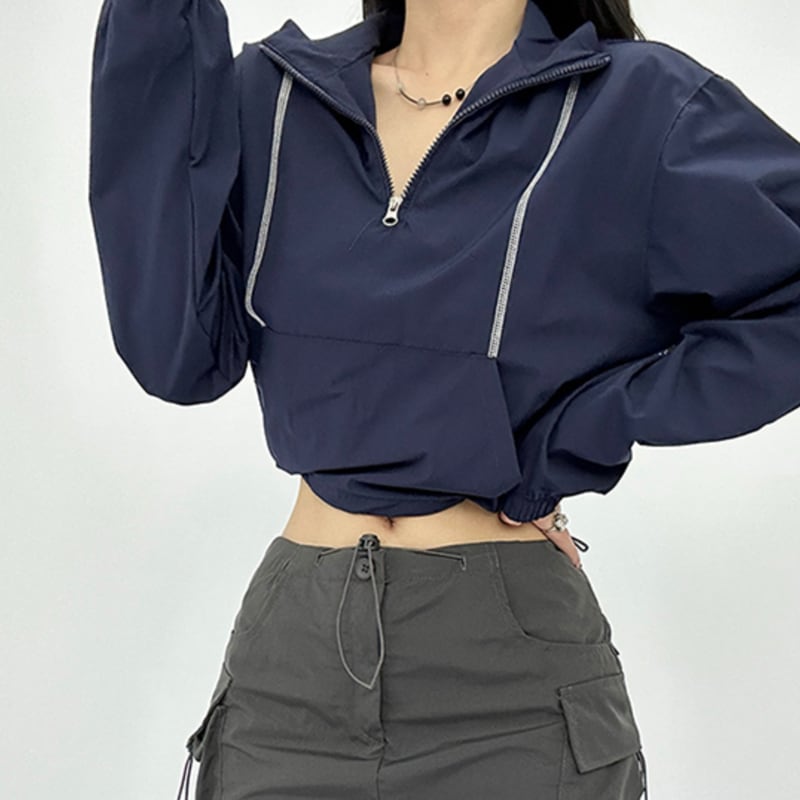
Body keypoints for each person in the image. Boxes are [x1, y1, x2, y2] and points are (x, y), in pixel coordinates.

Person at [88, 0, 800, 798]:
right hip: (289, 680)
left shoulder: (635, 102)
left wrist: (582, 427)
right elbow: (178, 355)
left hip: (510, 684)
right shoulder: (277, 94)